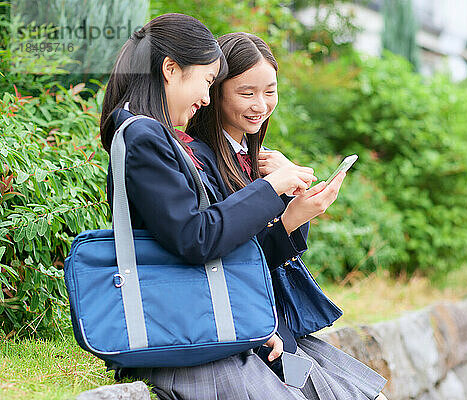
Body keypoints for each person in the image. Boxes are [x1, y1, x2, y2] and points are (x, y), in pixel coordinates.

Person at [100, 14, 328, 399]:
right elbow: (197, 237)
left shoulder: (154, 135)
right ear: (171, 70)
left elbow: (201, 241)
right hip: (178, 337)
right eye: (207, 81)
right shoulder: (143, 136)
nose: (206, 98)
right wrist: (271, 187)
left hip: (193, 325)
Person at [183, 32, 388, 400]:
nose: (260, 105)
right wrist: (291, 215)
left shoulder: (262, 161)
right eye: (247, 93)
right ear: (214, 91)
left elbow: (275, 252)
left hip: (273, 321)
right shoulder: (200, 161)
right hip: (247, 327)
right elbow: (227, 255)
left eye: (270, 91)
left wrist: (296, 205)